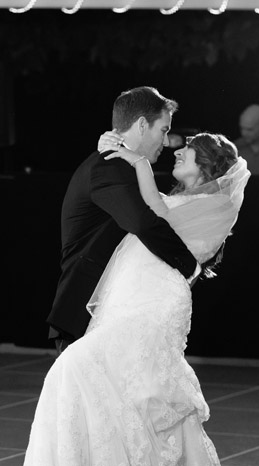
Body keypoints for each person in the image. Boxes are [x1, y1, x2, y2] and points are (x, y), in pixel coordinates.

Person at [0, 131, 250, 466]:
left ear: (208, 167)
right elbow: (150, 212)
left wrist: (136, 161)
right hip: (132, 298)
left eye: (187, 151)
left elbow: (152, 215)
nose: (177, 151)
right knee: (115, 408)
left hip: (154, 305)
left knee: (91, 381)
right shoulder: (183, 197)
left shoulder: (213, 205)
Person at [47, 87, 199, 355]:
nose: (166, 142)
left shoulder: (121, 164)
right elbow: (142, 223)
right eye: (163, 130)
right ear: (142, 125)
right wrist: (189, 266)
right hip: (86, 314)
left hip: (110, 313)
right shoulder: (109, 166)